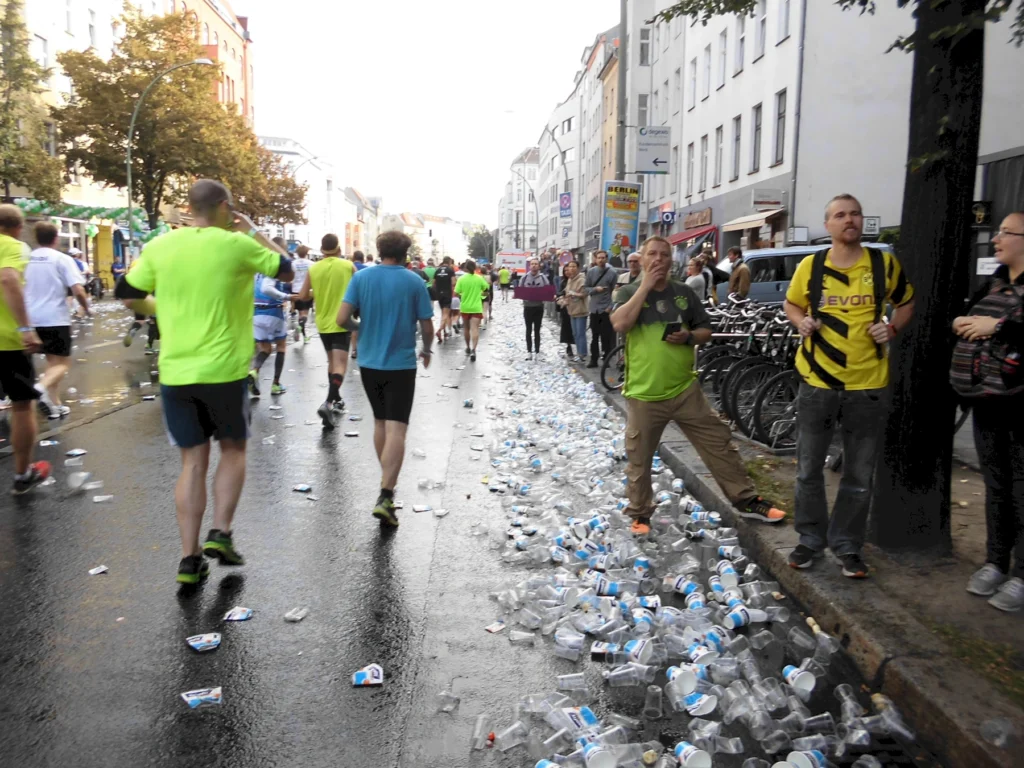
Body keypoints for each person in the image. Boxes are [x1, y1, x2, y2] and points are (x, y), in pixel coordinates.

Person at [115, 179, 293, 585]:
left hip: (177, 373)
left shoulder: (161, 246)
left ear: (189, 209)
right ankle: (221, 532)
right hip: (225, 371)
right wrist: (252, 230)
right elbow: (286, 268)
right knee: (232, 450)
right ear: (226, 207)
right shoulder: (237, 244)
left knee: (192, 463)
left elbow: (126, 292)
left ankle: (189, 559)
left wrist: (163, 306)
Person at [611, 236, 786, 535]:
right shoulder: (628, 290)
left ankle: (747, 500)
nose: (658, 260)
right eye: (652, 254)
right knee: (639, 457)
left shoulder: (684, 293)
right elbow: (620, 324)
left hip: (684, 390)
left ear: (671, 260)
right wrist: (644, 287)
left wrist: (689, 336)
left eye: (664, 255)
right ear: (641, 259)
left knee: (718, 442)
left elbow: (706, 329)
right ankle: (640, 514)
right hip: (644, 394)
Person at [783, 193, 914, 579]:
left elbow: (906, 301)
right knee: (808, 468)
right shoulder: (813, 265)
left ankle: (847, 546)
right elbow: (792, 305)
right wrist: (800, 321)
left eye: (855, 213)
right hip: (817, 381)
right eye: (840, 215)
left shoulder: (882, 263)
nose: (849, 220)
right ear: (828, 225)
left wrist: (891, 327)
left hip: (866, 383)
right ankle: (810, 540)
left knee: (859, 474)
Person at [337, 231, 433, 528]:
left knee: (380, 423)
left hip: (369, 362)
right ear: (406, 253)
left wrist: (360, 327)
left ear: (379, 250)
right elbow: (427, 325)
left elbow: (341, 319)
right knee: (397, 429)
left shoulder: (362, 278)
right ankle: (386, 492)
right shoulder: (414, 281)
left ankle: (386, 485)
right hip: (401, 364)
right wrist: (426, 349)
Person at [954, 211, 1024, 612]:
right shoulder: (994, 283)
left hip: (1020, 405)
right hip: (989, 401)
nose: (997, 238)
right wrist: (965, 322)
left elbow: (997, 327)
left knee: (1021, 489)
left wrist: (995, 327)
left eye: (1006, 233)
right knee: (996, 486)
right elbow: (974, 317)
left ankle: (1021, 574)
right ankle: (996, 562)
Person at [0, 204, 51, 494]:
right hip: (7, 340)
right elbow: (7, 278)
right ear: (18, 227)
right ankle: (22, 475)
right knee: (21, 405)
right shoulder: (15, 247)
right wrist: (25, 328)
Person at [24, 221, 91, 419]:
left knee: (52, 364)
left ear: (37, 238)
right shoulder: (61, 259)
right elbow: (77, 289)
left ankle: (55, 405)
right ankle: (40, 388)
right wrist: (86, 307)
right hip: (55, 317)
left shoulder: (26, 259)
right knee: (62, 363)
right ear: (56, 238)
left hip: (30, 318)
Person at [298, 233, 356, 428]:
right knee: (340, 365)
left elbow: (303, 295)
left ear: (321, 251)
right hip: (342, 320)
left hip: (323, 322)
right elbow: (359, 288)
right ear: (339, 249)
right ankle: (328, 403)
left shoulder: (314, 269)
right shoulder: (348, 266)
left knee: (332, 362)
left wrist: (319, 290)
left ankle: (336, 398)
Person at [247, 237, 295, 398]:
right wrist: (286, 297)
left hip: (256, 312)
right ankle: (275, 384)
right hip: (273, 311)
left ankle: (254, 371)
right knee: (281, 346)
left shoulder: (257, 265)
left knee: (265, 349)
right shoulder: (274, 264)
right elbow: (267, 288)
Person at [583, 249, 619, 368]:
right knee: (594, 336)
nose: (601, 260)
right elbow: (586, 288)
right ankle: (594, 359)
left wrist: (611, 307)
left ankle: (606, 360)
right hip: (594, 308)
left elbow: (616, 292)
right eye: (599, 258)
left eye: (603, 258)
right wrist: (595, 289)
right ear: (595, 259)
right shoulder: (591, 272)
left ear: (606, 259)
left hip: (606, 308)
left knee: (606, 336)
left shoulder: (612, 273)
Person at [454, 260, 488, 362]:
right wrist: (481, 295)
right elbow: (486, 290)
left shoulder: (461, 279)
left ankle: (468, 347)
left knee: (466, 329)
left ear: (465, 268)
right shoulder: (479, 278)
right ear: (475, 268)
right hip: (476, 307)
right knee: (475, 329)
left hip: (465, 307)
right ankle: (474, 350)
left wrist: (463, 295)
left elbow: (456, 293)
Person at [520, 258, 551, 360]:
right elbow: (520, 292)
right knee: (528, 330)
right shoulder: (524, 278)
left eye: (536, 264)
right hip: (528, 307)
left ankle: (537, 351)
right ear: (530, 266)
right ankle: (529, 352)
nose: (534, 266)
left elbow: (548, 291)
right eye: (532, 264)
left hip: (538, 307)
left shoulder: (543, 278)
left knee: (537, 330)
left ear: (539, 266)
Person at [559, 260, 588, 363]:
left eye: (573, 266)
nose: (571, 269)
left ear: (578, 268)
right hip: (571, 310)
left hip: (581, 310)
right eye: (570, 266)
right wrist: (563, 300)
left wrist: (573, 294)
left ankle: (582, 354)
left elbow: (584, 294)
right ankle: (578, 353)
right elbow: (566, 293)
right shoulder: (570, 280)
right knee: (575, 333)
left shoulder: (581, 279)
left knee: (580, 333)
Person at [290, 244, 313, 343]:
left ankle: (304, 337)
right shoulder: (311, 264)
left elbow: (290, 278)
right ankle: (300, 328)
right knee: (305, 314)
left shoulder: (292, 264)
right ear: (306, 253)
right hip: (307, 290)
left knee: (300, 314)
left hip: (295, 290)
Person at [433, 256, 456, 343]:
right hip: (447, 294)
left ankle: (445, 331)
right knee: (446, 314)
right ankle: (439, 330)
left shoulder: (437, 270)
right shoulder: (450, 270)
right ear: (449, 261)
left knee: (443, 313)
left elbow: (433, 284)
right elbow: (453, 282)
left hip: (439, 294)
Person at [557, 262, 577, 358]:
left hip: (575, 307)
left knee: (575, 329)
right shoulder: (563, 282)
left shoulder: (575, 280)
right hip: (565, 308)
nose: (566, 272)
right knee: (566, 328)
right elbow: (559, 293)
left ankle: (576, 346)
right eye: (565, 271)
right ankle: (569, 346)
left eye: (567, 270)